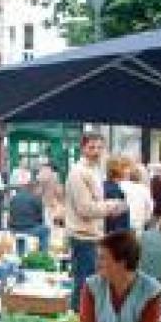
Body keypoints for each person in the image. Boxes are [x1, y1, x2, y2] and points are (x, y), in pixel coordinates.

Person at [65, 133, 126, 310]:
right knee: (84, 285)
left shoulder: (94, 171)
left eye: (99, 147)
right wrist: (111, 206)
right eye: (91, 147)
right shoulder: (79, 172)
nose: (96, 152)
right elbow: (84, 208)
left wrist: (108, 208)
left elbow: (93, 206)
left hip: (93, 235)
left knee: (90, 285)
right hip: (83, 236)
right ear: (83, 148)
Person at [7, 170, 49, 254]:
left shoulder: (14, 198)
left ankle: (20, 253)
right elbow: (40, 218)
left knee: (21, 236)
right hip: (29, 228)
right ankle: (43, 254)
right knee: (45, 230)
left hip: (14, 229)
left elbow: (10, 214)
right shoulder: (36, 198)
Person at [119, 163, 154, 232]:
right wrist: (145, 219)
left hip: (123, 222)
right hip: (138, 223)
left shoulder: (121, 185)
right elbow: (149, 207)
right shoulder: (144, 189)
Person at [103, 156, 131, 233]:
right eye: (125, 168)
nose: (128, 171)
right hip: (116, 236)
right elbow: (116, 218)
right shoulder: (115, 191)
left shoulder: (104, 186)